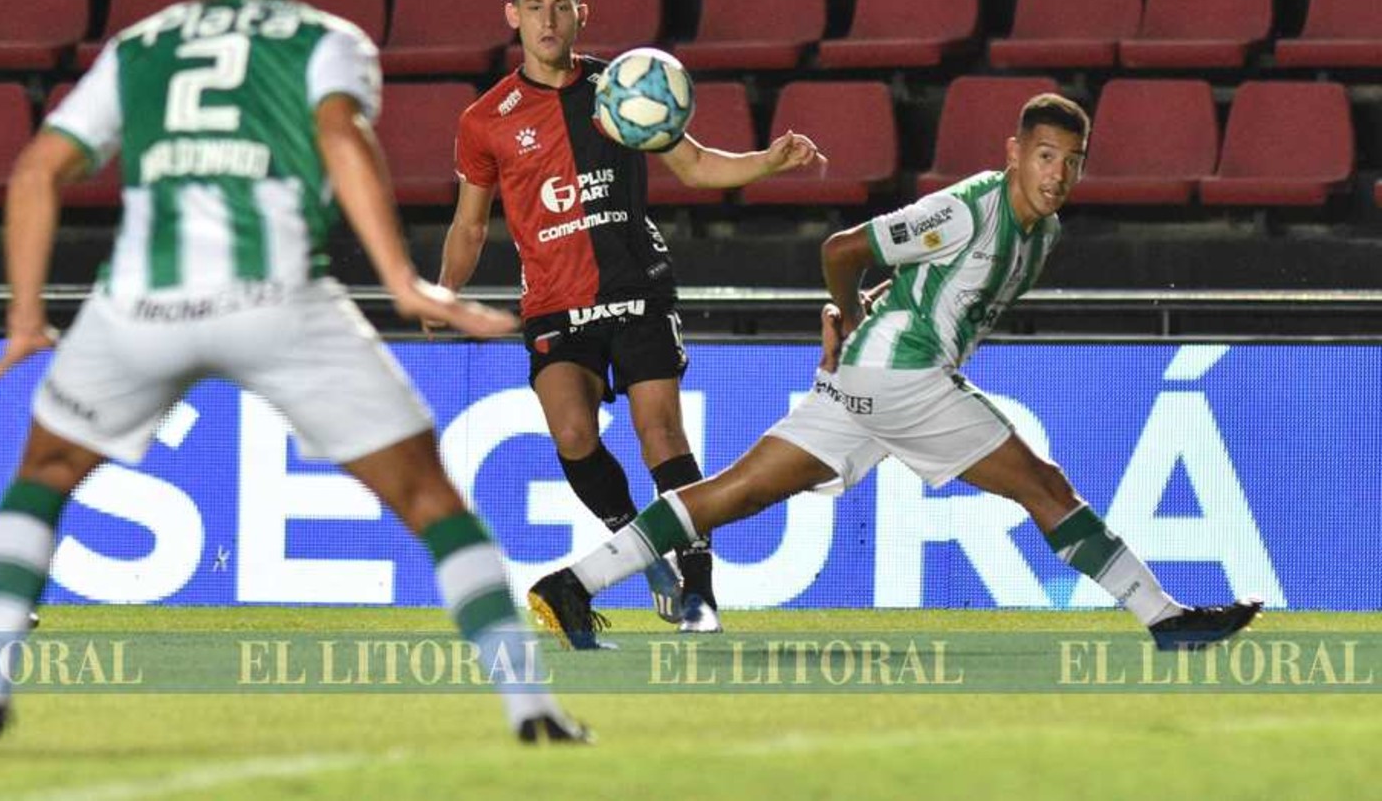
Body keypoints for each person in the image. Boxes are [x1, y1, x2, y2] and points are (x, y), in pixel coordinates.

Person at [0, 0, 587, 745]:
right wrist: (404, 280)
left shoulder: (140, 45)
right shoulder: (328, 39)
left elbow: (35, 172)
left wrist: (28, 314)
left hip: (144, 302)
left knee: (44, 474)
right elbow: (339, 135)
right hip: (280, 299)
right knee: (427, 497)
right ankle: (533, 708)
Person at [528, 93, 1262, 653]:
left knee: (735, 494)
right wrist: (848, 314)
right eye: (1044, 156)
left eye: (1071, 160)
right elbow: (845, 248)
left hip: (870, 382)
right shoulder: (972, 208)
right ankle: (1162, 618)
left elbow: (928, 285)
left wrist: (874, 315)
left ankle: (571, 584)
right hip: (901, 378)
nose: (1057, 173)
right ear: (1014, 152)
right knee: (1045, 487)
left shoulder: (1046, 231)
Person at [437, 0, 824, 634]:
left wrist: (767, 160)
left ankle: (698, 590)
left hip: (636, 287)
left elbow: (695, 164)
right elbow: (470, 223)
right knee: (571, 430)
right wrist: (444, 292)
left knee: (659, 432)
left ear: (581, 12)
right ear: (512, 17)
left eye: (561, 6)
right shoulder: (484, 119)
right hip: (556, 302)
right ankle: (641, 554)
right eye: (534, 7)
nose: (548, 20)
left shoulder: (624, 86)